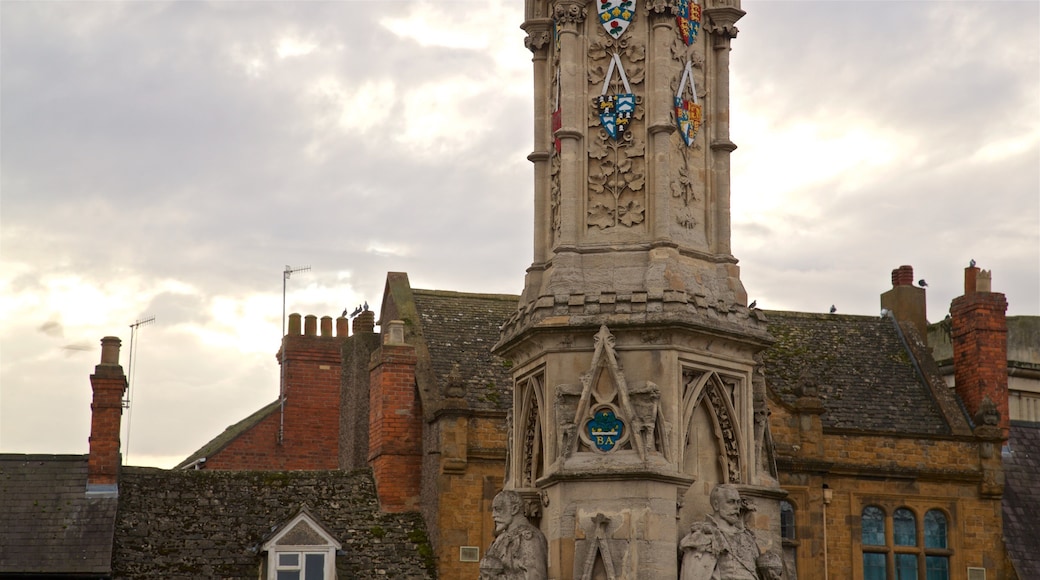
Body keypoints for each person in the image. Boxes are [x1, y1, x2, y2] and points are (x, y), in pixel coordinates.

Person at [680, 484, 761, 580]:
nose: (736, 507)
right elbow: (694, 575)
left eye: (738, 502)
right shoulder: (705, 535)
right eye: (731, 502)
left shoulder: (748, 538)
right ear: (716, 505)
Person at [479, 490, 548, 580]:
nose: (493, 515)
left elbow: (536, 577)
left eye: (498, 509)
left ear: (514, 509)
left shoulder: (529, 537)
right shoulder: (500, 539)